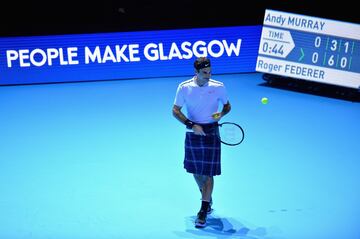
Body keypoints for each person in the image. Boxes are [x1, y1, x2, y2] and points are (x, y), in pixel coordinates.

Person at [172, 57, 231, 228]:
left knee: (208, 173)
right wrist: (191, 125)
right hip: (194, 132)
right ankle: (207, 196)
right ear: (196, 72)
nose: (208, 75)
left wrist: (221, 114)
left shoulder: (218, 87)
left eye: (210, 72)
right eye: (205, 72)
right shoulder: (184, 88)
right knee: (196, 172)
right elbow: (175, 110)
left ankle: (203, 209)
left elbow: (227, 106)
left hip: (212, 131)